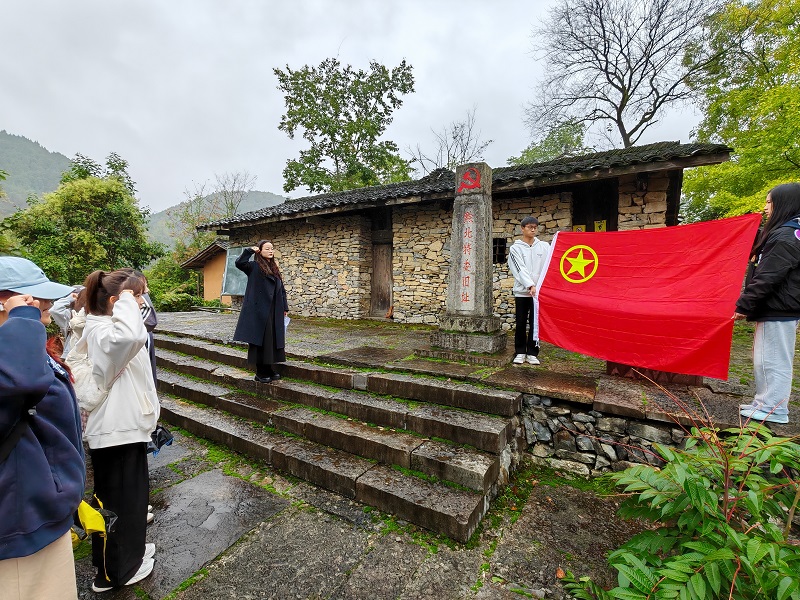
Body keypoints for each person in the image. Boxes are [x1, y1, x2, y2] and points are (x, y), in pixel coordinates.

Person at [0, 257, 85, 600]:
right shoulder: (15, 353)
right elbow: (22, 383)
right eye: (33, 298)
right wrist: (21, 319)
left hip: (40, 503)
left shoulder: (20, 346)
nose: (46, 304)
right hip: (20, 520)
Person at [79, 269, 159, 592]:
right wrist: (127, 296)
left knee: (128, 501)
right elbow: (132, 337)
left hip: (124, 429)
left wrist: (127, 297)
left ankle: (130, 556)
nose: (142, 302)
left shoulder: (104, 327)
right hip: (117, 433)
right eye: (137, 296)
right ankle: (117, 572)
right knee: (119, 505)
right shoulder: (104, 333)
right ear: (115, 302)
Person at [734, 183, 800, 425]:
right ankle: (763, 403)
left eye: (770, 202)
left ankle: (774, 409)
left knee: (773, 360)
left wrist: (744, 305)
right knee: (765, 358)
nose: (765, 207)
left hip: (779, 307)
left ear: (785, 204)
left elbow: (768, 276)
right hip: (780, 306)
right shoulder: (788, 232)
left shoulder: (785, 236)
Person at [233, 240, 289, 382]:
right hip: (258, 311)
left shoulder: (274, 268)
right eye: (267, 249)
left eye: (272, 249)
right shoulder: (253, 266)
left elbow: (281, 289)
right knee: (260, 341)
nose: (271, 251)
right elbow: (239, 263)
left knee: (271, 341)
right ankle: (260, 372)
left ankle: (269, 368)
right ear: (260, 251)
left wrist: (285, 307)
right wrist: (250, 251)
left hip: (274, 310)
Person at [507, 216, 550, 365]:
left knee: (535, 323)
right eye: (529, 227)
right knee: (520, 322)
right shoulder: (515, 248)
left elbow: (550, 264)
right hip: (522, 292)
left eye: (535, 227)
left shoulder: (544, 247)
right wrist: (530, 285)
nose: (533, 229)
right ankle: (519, 351)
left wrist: (539, 287)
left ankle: (532, 352)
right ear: (522, 228)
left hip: (538, 294)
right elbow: (519, 269)